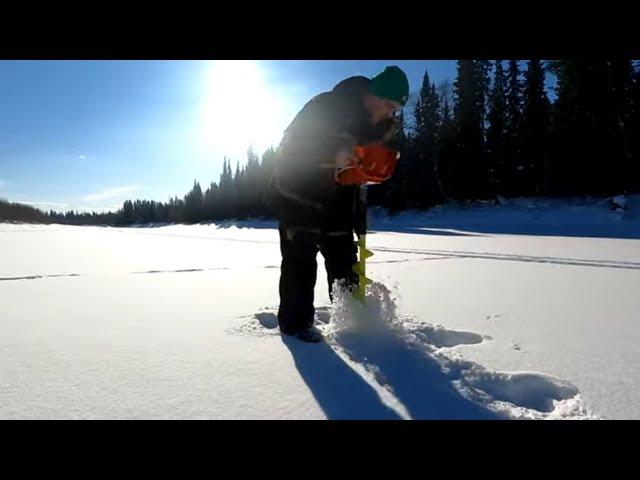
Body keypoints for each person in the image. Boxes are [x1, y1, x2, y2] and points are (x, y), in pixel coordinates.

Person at [268, 66, 409, 342]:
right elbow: (293, 147)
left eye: (395, 110)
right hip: (298, 192)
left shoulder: (374, 128)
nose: (390, 114)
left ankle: (353, 319)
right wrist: (336, 153)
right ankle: (296, 327)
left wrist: (368, 169)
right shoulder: (326, 106)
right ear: (375, 93)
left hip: (337, 199)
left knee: (343, 255)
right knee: (300, 258)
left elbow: (356, 174)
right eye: (389, 105)